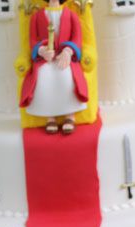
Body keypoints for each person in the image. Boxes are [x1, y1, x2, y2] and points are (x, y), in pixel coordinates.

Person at [19, 0, 88, 135]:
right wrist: (42, 51)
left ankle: (70, 115)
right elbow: (32, 40)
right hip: (46, 59)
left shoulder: (71, 15)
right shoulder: (36, 17)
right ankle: (50, 116)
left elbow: (77, 38)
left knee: (67, 75)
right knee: (43, 76)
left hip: (65, 57)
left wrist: (68, 51)